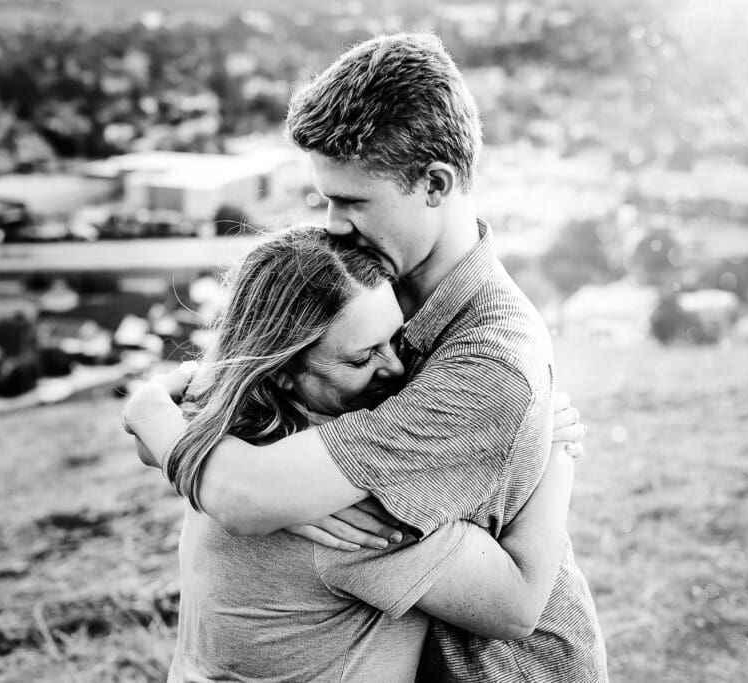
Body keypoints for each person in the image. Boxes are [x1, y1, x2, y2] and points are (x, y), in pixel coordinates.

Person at [126, 33, 607, 681]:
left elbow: (245, 491)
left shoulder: (487, 362)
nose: (331, 223)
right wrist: (155, 407)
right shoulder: (364, 286)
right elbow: (238, 403)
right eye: (326, 198)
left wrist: (158, 414)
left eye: (352, 201)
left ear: (435, 183)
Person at [124, 225, 585, 681]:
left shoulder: (221, 430)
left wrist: (148, 405)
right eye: (362, 359)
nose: (397, 368)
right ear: (283, 368)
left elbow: (160, 433)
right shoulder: (343, 502)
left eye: (396, 340)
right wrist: (554, 453)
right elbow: (516, 607)